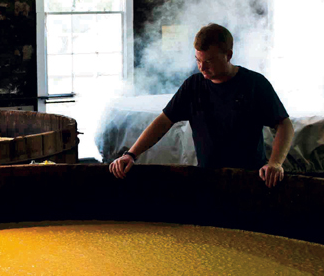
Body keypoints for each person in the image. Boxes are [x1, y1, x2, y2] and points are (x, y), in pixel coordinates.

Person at [109, 23, 294, 188]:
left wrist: (275, 163)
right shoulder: (193, 86)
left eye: (209, 61)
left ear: (228, 55)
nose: (202, 67)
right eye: (198, 60)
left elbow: (284, 124)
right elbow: (164, 121)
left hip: (250, 179)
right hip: (208, 180)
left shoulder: (255, 84)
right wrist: (131, 154)